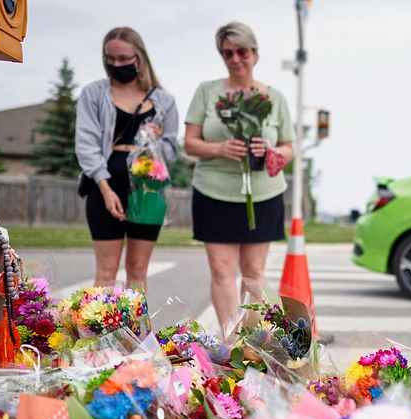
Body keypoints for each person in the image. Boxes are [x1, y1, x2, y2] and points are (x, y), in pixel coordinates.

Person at [184, 22, 295, 333]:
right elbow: (190, 143)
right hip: (213, 191)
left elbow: (290, 147)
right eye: (227, 53)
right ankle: (228, 340)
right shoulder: (208, 92)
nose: (235, 58)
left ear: (255, 54)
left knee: (254, 271)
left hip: (263, 194)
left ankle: (251, 341)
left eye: (242, 51)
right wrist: (219, 147)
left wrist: (271, 149)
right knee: (221, 270)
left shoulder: (274, 98)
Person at [75, 27, 179, 292]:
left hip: (148, 188)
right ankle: (98, 333)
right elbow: (86, 145)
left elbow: (171, 153)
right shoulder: (93, 94)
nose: (116, 65)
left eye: (123, 59)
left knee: (137, 271)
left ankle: (138, 335)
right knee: (107, 271)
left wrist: (157, 140)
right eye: (110, 59)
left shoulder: (164, 101)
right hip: (105, 186)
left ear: (139, 58)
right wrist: (105, 189)